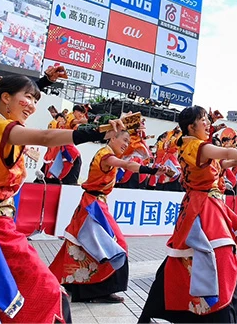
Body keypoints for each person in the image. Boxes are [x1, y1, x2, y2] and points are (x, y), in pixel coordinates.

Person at [0, 67, 126, 322]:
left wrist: (40, 83)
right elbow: (45, 136)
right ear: (6, 97)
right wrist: (96, 131)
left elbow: (10, 100)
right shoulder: (1, 129)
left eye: (35, 99)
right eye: (28, 98)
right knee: (46, 291)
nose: (32, 105)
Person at [138, 106, 237, 323]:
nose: (207, 124)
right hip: (203, 208)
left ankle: (157, 309)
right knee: (220, 255)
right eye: (203, 120)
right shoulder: (196, 146)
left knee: (184, 257)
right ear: (191, 126)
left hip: (205, 205)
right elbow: (225, 153)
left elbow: (225, 161)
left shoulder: (195, 146)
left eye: (207, 119)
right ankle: (219, 314)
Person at [50, 127, 167, 303]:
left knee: (83, 246)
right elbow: (127, 165)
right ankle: (99, 290)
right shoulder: (106, 156)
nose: (126, 144)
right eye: (124, 140)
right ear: (112, 137)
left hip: (95, 205)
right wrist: (150, 171)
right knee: (116, 245)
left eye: (128, 141)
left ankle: (84, 290)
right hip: (93, 207)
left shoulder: (109, 155)